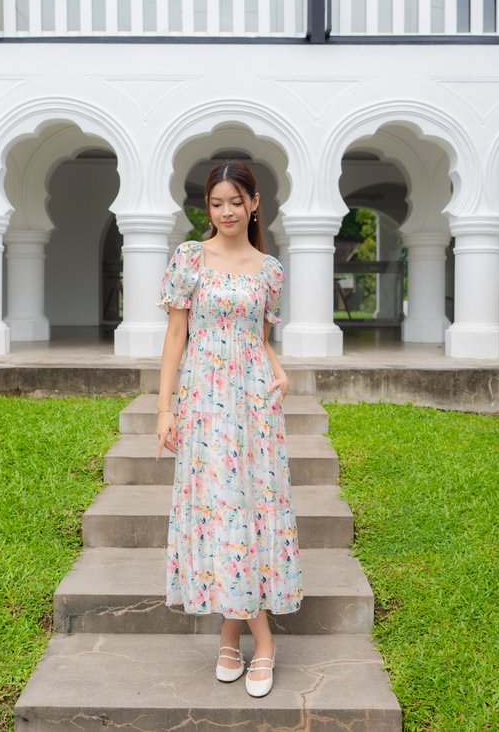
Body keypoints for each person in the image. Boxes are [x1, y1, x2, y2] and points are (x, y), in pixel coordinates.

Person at [156, 161, 303, 698]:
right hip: (203, 398)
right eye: (216, 203)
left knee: (252, 505)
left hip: (255, 403)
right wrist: (164, 408)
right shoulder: (189, 258)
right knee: (218, 505)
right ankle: (258, 637)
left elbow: (260, 336)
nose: (226, 212)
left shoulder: (270, 269)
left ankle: (235, 633)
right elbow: (176, 335)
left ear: (254, 203)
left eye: (235, 202)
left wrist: (279, 368)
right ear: (207, 207)